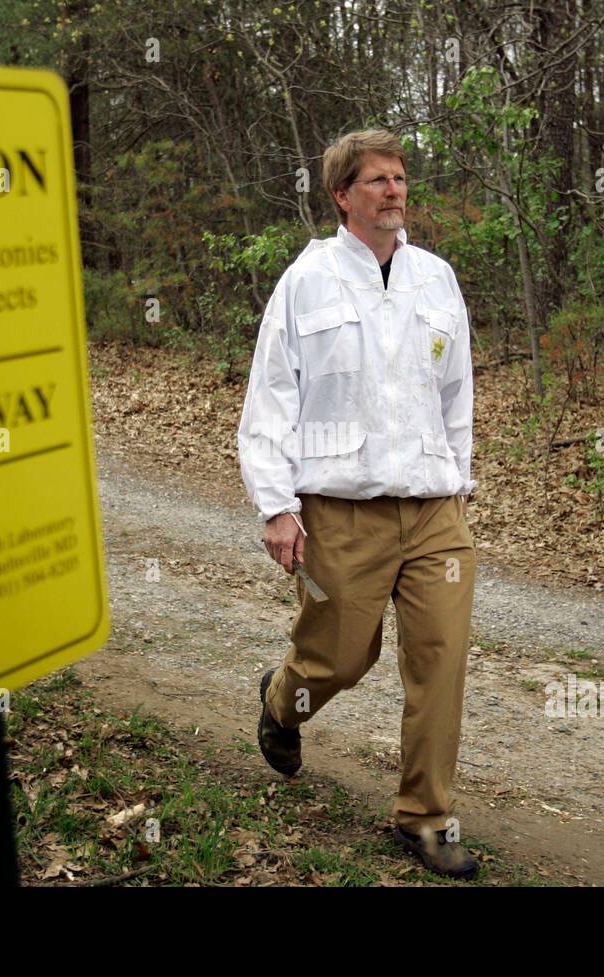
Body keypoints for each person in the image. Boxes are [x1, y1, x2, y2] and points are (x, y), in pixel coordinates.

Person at [236, 128, 479, 880]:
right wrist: (277, 505)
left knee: (440, 658)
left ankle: (426, 816)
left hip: (433, 509)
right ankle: (284, 701)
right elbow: (270, 398)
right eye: (378, 180)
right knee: (341, 655)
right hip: (341, 507)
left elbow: (456, 393)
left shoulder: (436, 279)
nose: (395, 190)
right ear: (343, 195)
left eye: (401, 178)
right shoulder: (305, 282)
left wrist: (458, 481)